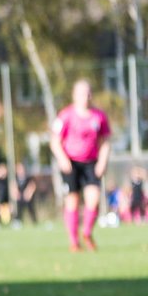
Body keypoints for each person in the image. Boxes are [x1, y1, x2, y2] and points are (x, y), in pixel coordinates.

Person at [50, 79, 111, 251]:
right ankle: (74, 241)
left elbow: (106, 141)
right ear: (75, 95)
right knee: (73, 201)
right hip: (71, 163)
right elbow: (55, 141)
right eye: (83, 93)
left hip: (91, 163)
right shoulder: (66, 115)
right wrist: (62, 159)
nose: (87, 96)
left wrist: (102, 161)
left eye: (89, 92)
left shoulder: (99, 116)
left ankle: (87, 232)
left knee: (94, 199)